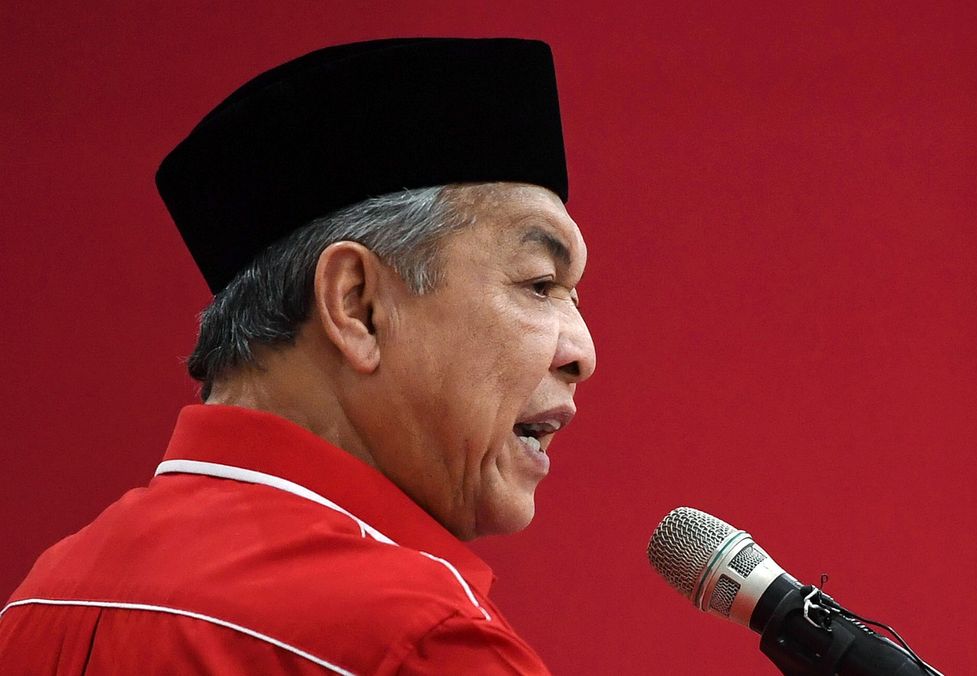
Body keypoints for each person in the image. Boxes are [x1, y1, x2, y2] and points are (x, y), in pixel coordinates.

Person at [0, 38, 595, 674]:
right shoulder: (422, 644)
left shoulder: (39, 605)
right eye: (540, 284)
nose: (582, 352)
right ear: (357, 305)